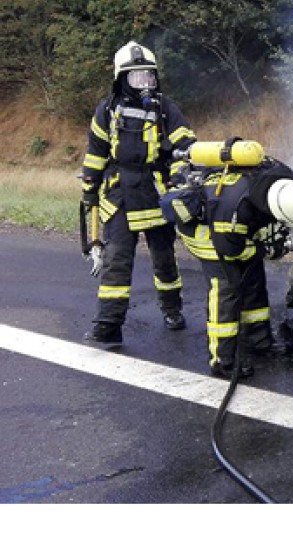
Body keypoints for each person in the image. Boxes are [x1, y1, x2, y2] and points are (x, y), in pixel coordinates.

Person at [163, 150, 293, 378]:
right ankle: (222, 360)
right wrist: (265, 249)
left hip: (235, 232)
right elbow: (231, 250)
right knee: (227, 291)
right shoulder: (234, 208)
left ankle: (259, 342)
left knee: (254, 281)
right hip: (208, 235)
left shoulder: (284, 181)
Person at [81, 41, 197, 346]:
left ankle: (172, 310)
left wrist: (182, 168)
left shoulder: (165, 108)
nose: (145, 82)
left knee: (164, 258)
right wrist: (89, 190)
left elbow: (183, 143)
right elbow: (95, 155)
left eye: (149, 76)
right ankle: (108, 323)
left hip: (156, 192)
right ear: (122, 79)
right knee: (116, 259)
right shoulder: (106, 110)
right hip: (119, 193)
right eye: (137, 77)